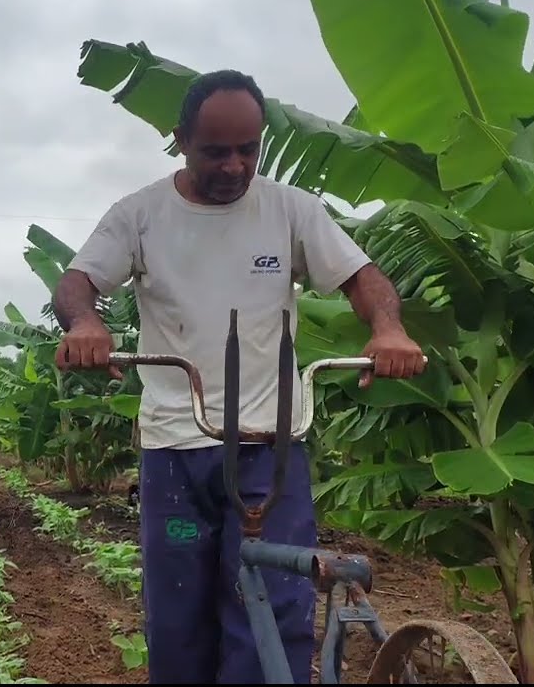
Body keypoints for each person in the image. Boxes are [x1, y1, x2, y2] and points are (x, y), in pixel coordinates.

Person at [52, 69, 425, 684]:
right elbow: (78, 281)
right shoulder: (139, 215)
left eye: (247, 150)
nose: (233, 165)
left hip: (268, 450)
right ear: (181, 140)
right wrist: (85, 323)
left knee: (275, 612)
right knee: (179, 618)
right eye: (215, 151)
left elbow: (364, 279)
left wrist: (387, 328)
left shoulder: (290, 210)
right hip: (175, 449)